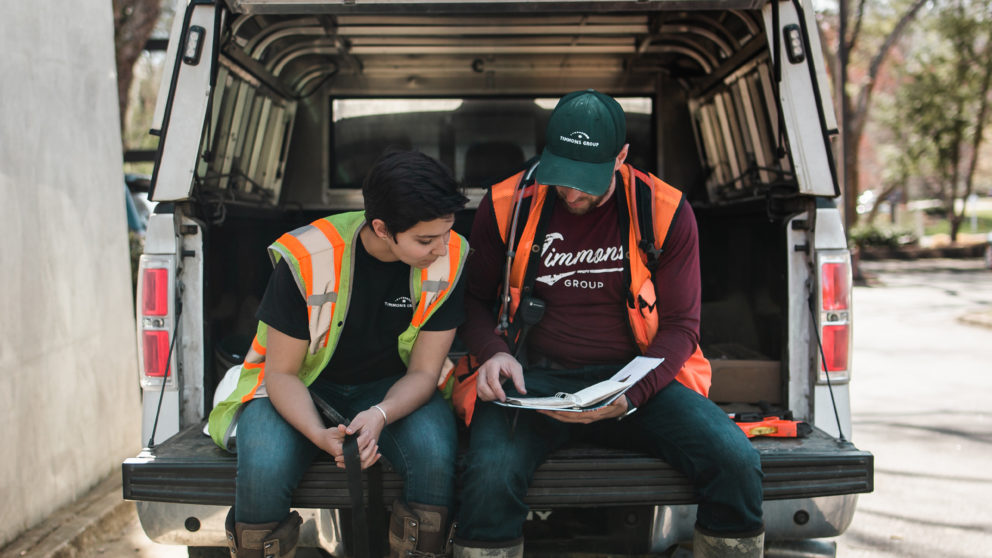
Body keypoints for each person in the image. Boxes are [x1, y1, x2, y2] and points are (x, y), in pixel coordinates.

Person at [452, 90, 764, 558]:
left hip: (636, 379)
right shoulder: (505, 205)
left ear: (621, 157)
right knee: (489, 475)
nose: (572, 193)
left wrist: (629, 395)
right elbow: (473, 301)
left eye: (586, 181)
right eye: (562, 176)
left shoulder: (664, 209)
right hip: (532, 380)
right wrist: (494, 352)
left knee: (736, 460)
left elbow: (682, 326)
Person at [207, 150, 470, 558]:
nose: (441, 248)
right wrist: (319, 434)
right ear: (382, 228)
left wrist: (381, 414)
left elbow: (423, 373)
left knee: (436, 455)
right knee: (263, 466)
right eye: (425, 240)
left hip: (393, 387)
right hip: (302, 386)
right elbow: (282, 375)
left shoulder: (451, 257)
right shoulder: (309, 257)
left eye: (447, 233)